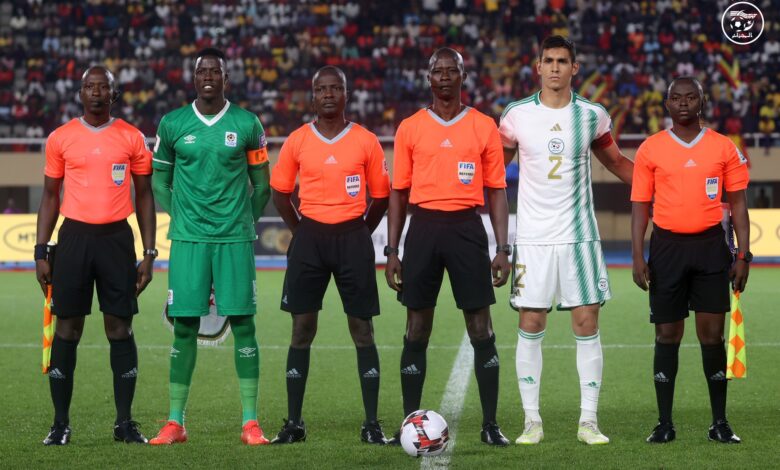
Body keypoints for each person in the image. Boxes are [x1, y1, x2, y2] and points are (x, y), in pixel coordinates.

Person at [498, 35, 633, 445]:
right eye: (548, 60)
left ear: (574, 68)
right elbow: (494, 171)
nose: (555, 67)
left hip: (579, 237)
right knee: (531, 322)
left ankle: (588, 421)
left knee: (586, 322)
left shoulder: (592, 115)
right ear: (538, 66)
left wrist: (666, 185)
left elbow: (617, 163)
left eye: (562, 61)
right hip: (533, 238)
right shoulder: (516, 115)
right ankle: (531, 421)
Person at [385, 47, 511, 446]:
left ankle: (490, 425)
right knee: (416, 327)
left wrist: (503, 248)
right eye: (437, 71)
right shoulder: (410, 128)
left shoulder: (483, 126)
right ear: (428, 78)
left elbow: (497, 190)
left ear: (462, 76)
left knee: (480, 326)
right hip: (423, 228)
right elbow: (398, 193)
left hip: (466, 229)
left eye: (450, 70)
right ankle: (409, 423)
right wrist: (392, 251)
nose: (443, 76)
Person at [148, 48, 272, 446]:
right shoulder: (172, 124)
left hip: (234, 239)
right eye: (202, 70)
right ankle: (175, 423)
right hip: (189, 241)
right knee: (184, 326)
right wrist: (182, 217)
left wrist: (244, 221)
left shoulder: (247, 124)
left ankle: (250, 423)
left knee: (244, 324)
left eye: (214, 71)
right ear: (193, 77)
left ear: (225, 78)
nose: (207, 76)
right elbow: (158, 182)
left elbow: (263, 185)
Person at [35, 66, 156, 445]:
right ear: (81, 93)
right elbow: (50, 195)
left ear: (114, 94)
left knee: (120, 329)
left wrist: (149, 253)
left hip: (117, 240)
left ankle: (124, 424)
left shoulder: (132, 137)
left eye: (104, 87)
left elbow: (145, 196)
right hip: (73, 239)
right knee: (67, 330)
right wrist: (40, 251)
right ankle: (60, 424)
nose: (97, 92)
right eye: (90, 86)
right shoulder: (61, 138)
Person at [270, 66, 391, 444]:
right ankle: (294, 423)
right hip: (310, 238)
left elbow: (381, 196)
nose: (327, 94)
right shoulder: (297, 140)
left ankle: (371, 424)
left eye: (335, 88)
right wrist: (301, 231)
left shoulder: (366, 141)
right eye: (321, 89)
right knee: (302, 329)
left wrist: (360, 231)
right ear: (312, 96)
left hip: (352, 237)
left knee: (362, 329)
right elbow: (280, 193)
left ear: (346, 94)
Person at [631, 76, 750, 444]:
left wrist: (744, 255)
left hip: (711, 248)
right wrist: (637, 255)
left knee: (712, 336)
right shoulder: (650, 149)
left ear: (702, 102)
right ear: (667, 104)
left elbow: (739, 204)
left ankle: (720, 423)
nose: (683, 103)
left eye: (691, 97)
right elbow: (640, 206)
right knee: (667, 335)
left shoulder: (723, 147)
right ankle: (664, 424)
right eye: (676, 97)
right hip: (666, 249)